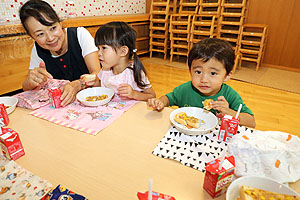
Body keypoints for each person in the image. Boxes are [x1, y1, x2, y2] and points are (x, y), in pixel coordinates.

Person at [147, 38, 256, 128]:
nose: (204, 79)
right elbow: (167, 98)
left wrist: (229, 113)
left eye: (213, 73)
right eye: (198, 72)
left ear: (227, 76)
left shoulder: (229, 95)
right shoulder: (185, 89)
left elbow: (251, 122)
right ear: (190, 71)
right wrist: (159, 103)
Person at [19, 0, 100, 106]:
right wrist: (29, 82)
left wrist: (78, 84)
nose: (51, 38)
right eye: (40, 34)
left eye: (53, 28)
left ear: (59, 22)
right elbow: (27, 88)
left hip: (92, 100)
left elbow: (98, 74)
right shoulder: (37, 49)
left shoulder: (79, 35)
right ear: (32, 37)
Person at [82, 21, 156, 101]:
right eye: (98, 48)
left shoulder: (133, 73)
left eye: (104, 48)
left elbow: (151, 96)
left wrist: (134, 94)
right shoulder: (105, 70)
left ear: (123, 51)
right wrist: (95, 83)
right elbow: (105, 86)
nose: (99, 53)